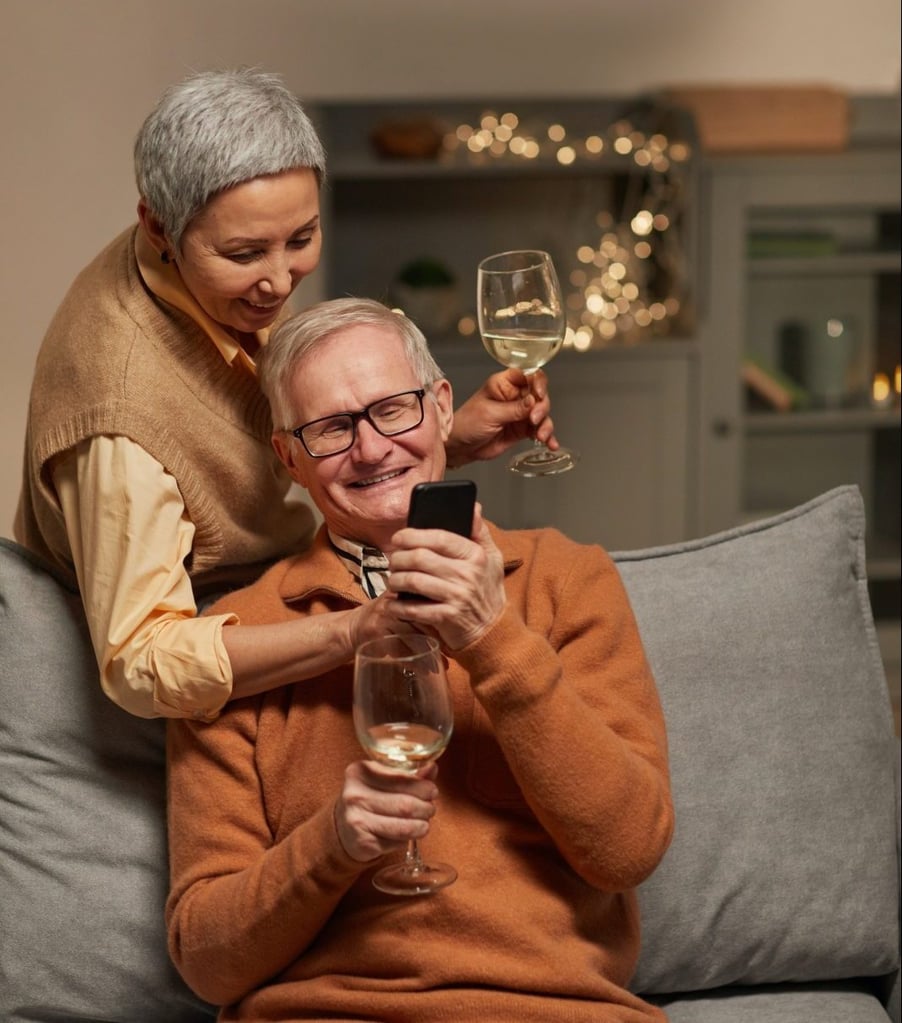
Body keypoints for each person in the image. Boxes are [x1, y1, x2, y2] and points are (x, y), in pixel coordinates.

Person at [166, 297, 674, 1021]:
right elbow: (208, 962)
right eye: (332, 428)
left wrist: (492, 638)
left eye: (392, 409)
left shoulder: (570, 581)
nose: (371, 449)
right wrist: (332, 845)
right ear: (290, 457)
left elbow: (629, 849)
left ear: (440, 407)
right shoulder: (237, 641)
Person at [13, 68, 557, 722]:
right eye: (244, 253)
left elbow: (267, 443)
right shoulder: (118, 414)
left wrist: (446, 440)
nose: (277, 282)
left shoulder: (199, 260)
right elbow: (141, 663)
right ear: (157, 228)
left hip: (272, 596)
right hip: (176, 687)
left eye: (300, 239)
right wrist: (355, 629)